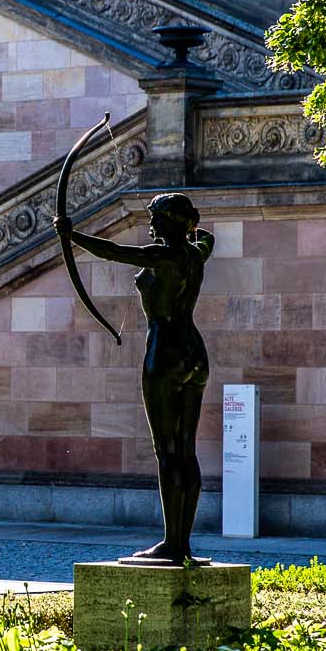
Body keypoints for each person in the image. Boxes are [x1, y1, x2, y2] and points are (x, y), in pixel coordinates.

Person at [54, 193, 214, 564]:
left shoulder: (167, 255)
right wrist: (190, 227)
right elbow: (208, 237)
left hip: (167, 350)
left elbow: (112, 252)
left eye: (157, 218)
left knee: (167, 451)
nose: (151, 224)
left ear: (173, 222)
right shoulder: (195, 253)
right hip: (195, 351)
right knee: (185, 450)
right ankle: (182, 544)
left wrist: (71, 235)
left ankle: (173, 545)